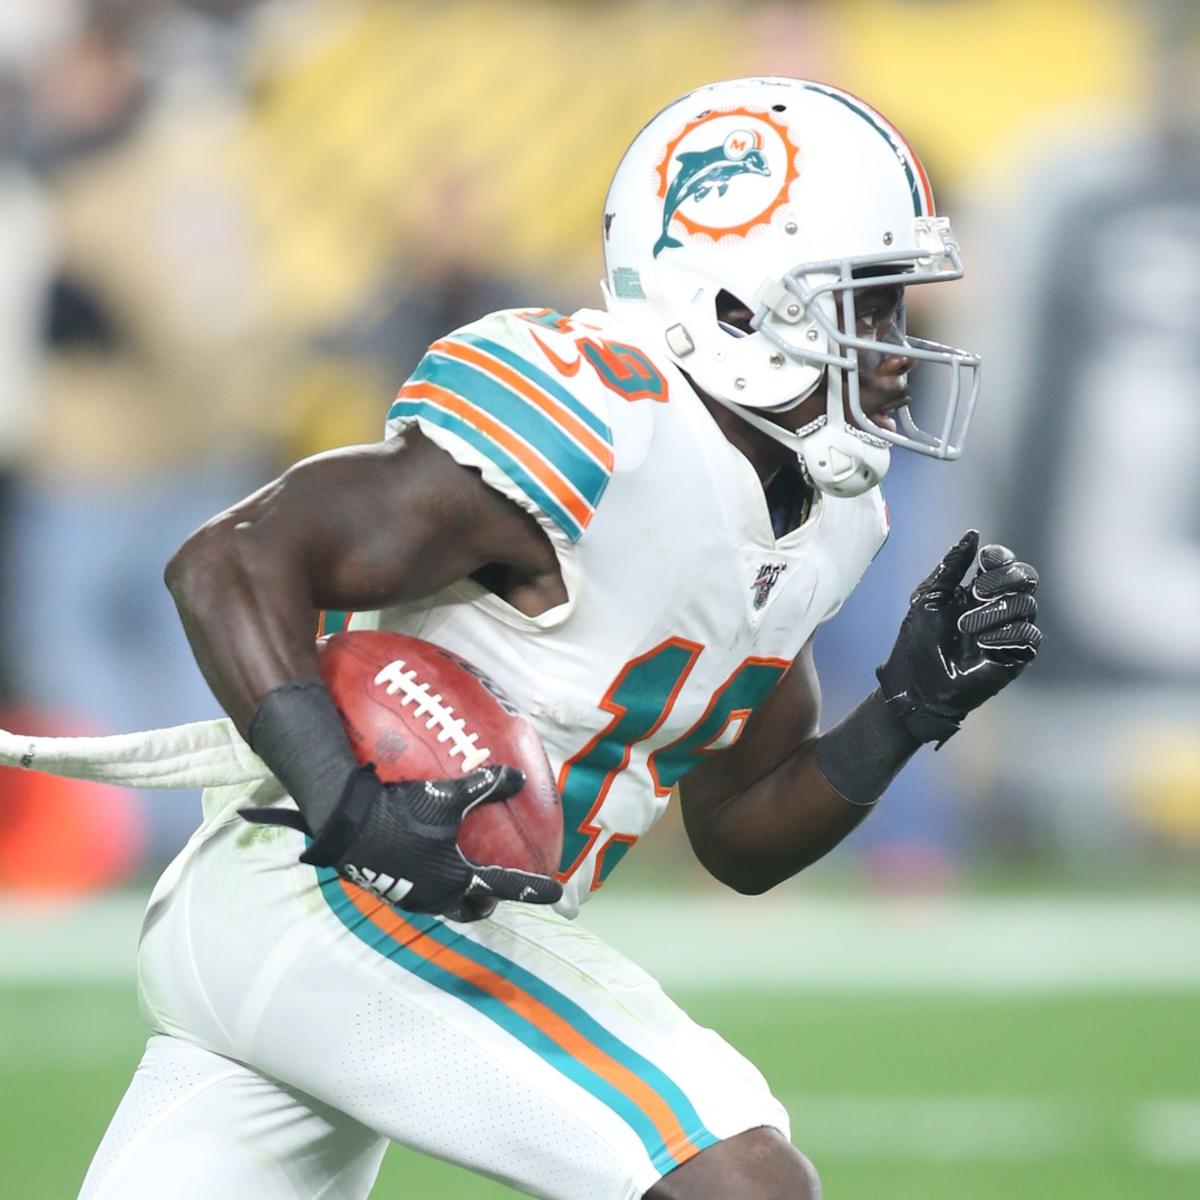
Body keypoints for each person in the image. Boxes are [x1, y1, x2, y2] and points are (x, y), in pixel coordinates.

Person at [18, 78, 1042, 1199]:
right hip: (340, 900)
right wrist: (349, 805)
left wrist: (901, 713)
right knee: (742, 1181)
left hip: (304, 923)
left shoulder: (823, 514)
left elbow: (743, 835)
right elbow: (230, 561)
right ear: (738, 304)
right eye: (868, 306)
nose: (899, 347)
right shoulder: (603, 419)